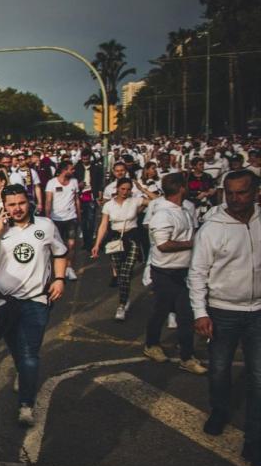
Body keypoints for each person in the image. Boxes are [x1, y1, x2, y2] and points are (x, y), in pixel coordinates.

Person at [189, 170, 261, 466]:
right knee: (219, 369)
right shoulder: (212, 228)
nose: (235, 198)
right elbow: (197, 273)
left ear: (255, 192)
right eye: (229, 192)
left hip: (258, 312)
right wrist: (200, 312)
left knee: (258, 378)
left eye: (241, 192)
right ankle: (219, 411)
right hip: (222, 311)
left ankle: (254, 441)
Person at [0, 184, 68, 426]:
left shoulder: (45, 225)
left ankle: (26, 405)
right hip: (6, 302)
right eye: (11, 204)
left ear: (29, 202)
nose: (17, 208)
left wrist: (60, 279)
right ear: (4, 206)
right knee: (16, 349)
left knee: (30, 354)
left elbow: (60, 253)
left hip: (37, 301)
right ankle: (23, 372)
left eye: (21, 203)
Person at [143, 173, 207, 374]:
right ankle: (151, 345)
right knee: (161, 311)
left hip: (183, 272)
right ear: (181, 188)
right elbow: (162, 245)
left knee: (185, 315)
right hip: (164, 273)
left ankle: (187, 357)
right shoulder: (163, 214)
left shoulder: (185, 210)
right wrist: (192, 243)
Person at [91, 179, 150, 321]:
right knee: (120, 274)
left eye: (128, 189)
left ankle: (121, 305)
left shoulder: (135, 201)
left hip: (132, 238)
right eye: (122, 189)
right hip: (115, 240)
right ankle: (125, 296)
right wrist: (97, 244)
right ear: (117, 188)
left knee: (126, 271)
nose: (125, 192)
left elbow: (158, 200)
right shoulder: (109, 205)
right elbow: (104, 225)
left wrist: (142, 189)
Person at [44, 160, 81, 281]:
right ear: (64, 170)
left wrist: (79, 215)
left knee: (71, 244)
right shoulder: (51, 183)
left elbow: (76, 200)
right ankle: (58, 270)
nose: (73, 171)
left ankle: (69, 267)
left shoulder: (74, 182)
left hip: (71, 217)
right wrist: (48, 218)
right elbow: (48, 201)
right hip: (56, 219)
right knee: (57, 246)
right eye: (71, 169)